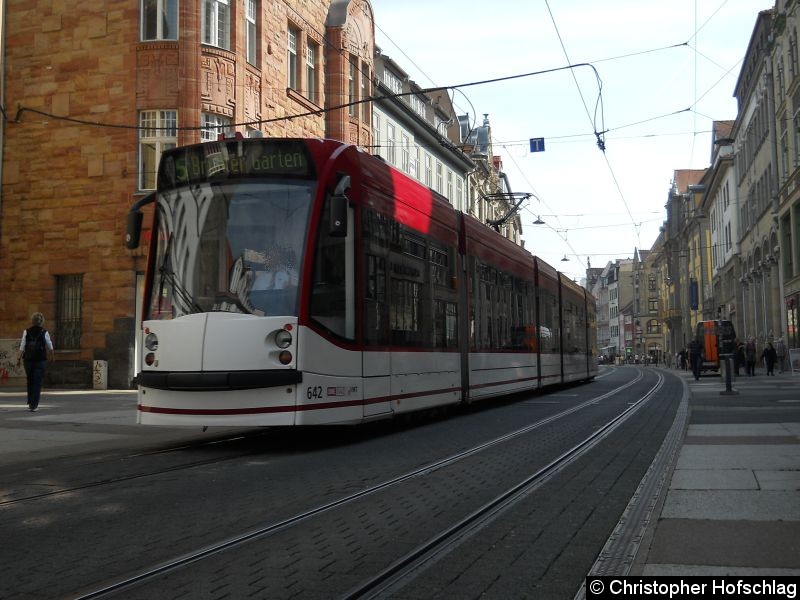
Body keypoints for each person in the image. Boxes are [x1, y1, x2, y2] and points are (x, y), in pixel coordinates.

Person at [16, 312, 55, 412]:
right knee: (37, 382)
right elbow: (50, 347)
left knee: (30, 381)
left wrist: (18, 359)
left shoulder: (26, 331)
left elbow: (22, 347)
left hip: (28, 361)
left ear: (32, 321)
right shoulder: (44, 332)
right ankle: (34, 405)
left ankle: (30, 402)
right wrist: (52, 357)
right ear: (42, 322)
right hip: (40, 360)